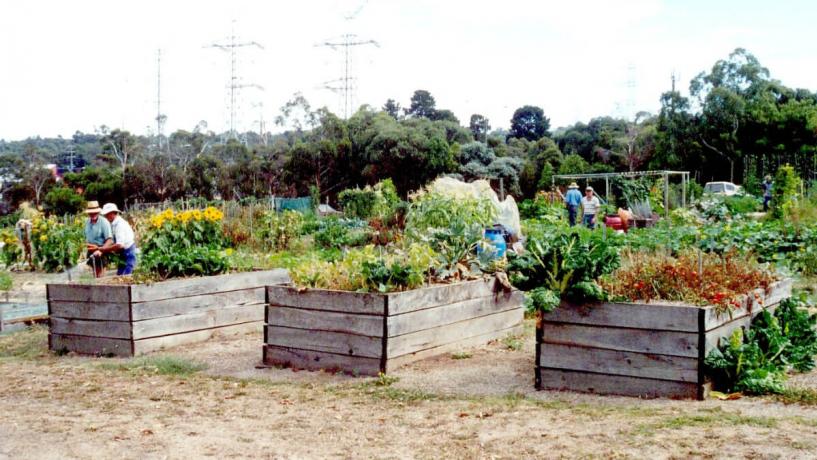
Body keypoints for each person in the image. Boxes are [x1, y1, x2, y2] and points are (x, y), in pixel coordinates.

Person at [99, 203, 137, 275]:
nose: (106, 216)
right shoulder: (114, 224)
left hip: (129, 252)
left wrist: (105, 249)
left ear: (112, 213)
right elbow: (114, 240)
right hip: (123, 252)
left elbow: (120, 245)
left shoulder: (119, 224)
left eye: (107, 214)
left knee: (126, 276)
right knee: (120, 274)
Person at [84, 200, 113, 277]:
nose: (93, 214)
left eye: (94, 212)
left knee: (101, 278)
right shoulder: (87, 222)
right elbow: (86, 238)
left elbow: (109, 240)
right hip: (91, 251)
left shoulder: (104, 222)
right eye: (91, 213)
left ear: (98, 212)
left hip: (101, 251)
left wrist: (101, 250)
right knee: (95, 276)